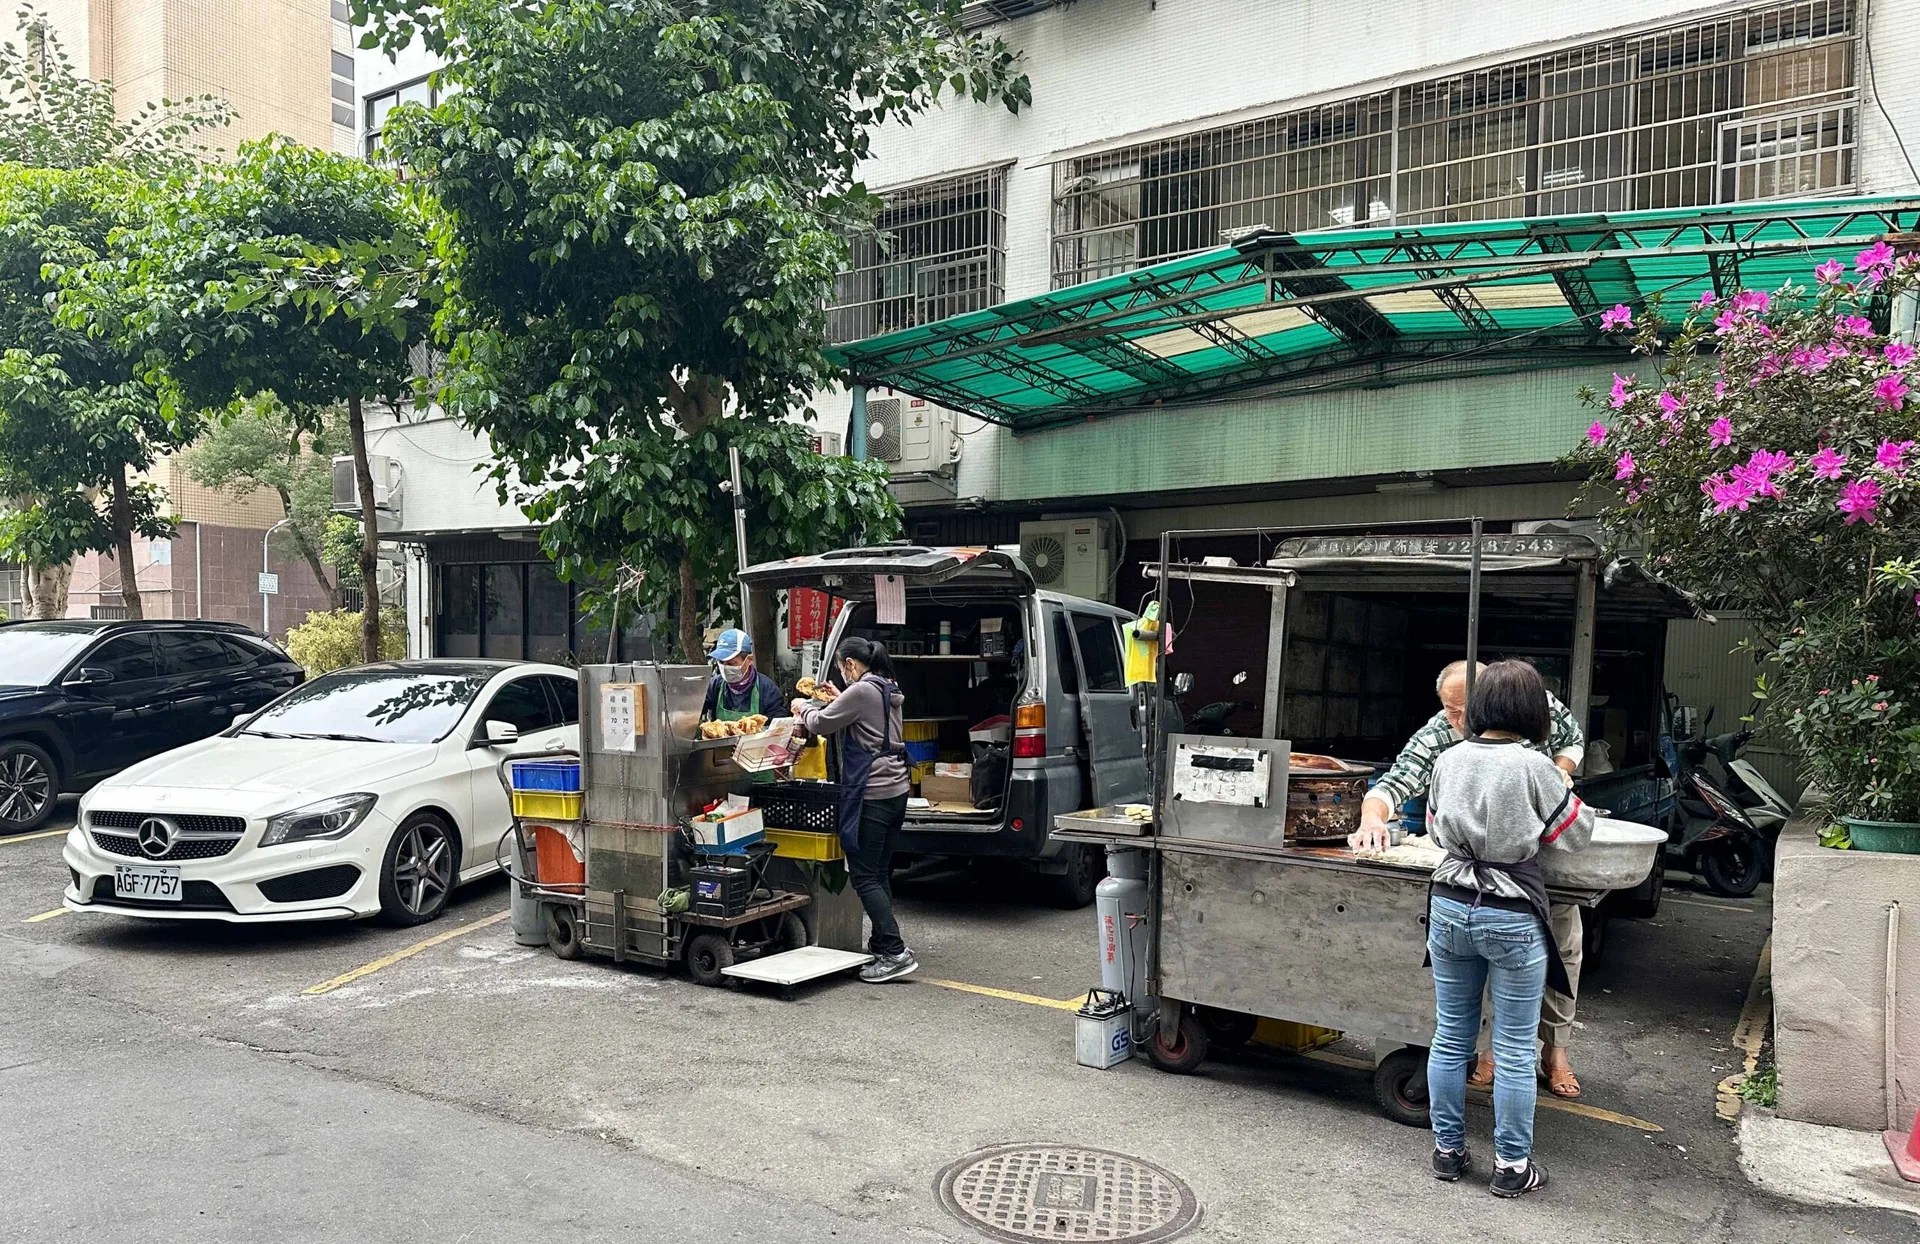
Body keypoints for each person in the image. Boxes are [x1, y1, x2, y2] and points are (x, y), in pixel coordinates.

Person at [1353, 660, 1591, 1100]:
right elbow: (1399, 781)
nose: (1459, 721)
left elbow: (1574, 743)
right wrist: (1372, 817)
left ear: (1496, 701)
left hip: (1516, 884)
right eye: (1451, 710)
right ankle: (1491, 1064)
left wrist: (1558, 772)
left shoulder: (1533, 719)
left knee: (1561, 956)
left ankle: (1555, 1052)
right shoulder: (1441, 741)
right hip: (1495, 890)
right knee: (1499, 1025)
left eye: (1466, 710)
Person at [1421, 659, 1594, 1198]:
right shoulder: (1536, 768)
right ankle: (1511, 1166)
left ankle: (1447, 1153)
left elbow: (1432, 827)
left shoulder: (1449, 759)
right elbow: (1577, 834)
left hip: (1449, 903)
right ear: (1532, 712)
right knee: (1516, 1048)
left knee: (1451, 1036)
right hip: (1512, 912)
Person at [791, 637, 917, 983]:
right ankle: (881, 945)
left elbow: (819, 724)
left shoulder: (861, 692)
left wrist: (803, 708)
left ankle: (894, 952)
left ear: (850, 664)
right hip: (897, 791)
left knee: (863, 876)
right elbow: (855, 712)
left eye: (842, 669)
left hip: (872, 794)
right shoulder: (886, 686)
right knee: (879, 872)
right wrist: (836, 696)